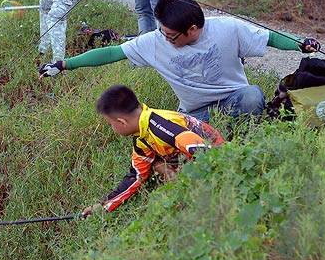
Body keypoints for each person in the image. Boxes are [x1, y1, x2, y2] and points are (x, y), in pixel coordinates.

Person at [39, 0, 321, 123]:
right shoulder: (154, 41)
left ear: (193, 29)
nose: (165, 39)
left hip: (235, 100)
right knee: (166, 132)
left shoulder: (227, 29)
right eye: (162, 32)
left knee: (252, 95)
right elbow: (113, 52)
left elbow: (268, 37)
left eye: (172, 36)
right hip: (195, 114)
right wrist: (64, 64)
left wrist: (299, 44)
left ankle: (242, 140)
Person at [82, 84, 224, 218]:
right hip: (192, 157)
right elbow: (136, 176)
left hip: (216, 154)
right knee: (155, 164)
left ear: (122, 122)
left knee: (161, 165)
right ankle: (187, 191)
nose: (112, 128)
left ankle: (192, 197)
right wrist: (103, 206)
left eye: (110, 124)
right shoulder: (142, 133)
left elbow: (201, 148)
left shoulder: (161, 127)